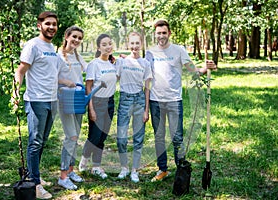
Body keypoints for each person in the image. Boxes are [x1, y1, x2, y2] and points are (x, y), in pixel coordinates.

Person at [145, 19, 216, 182]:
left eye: (164, 32)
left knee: (177, 137)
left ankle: (180, 170)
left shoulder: (179, 50)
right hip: (156, 101)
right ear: (155, 35)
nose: (161, 36)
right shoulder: (150, 52)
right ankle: (162, 169)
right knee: (159, 136)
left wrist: (206, 68)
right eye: (158, 33)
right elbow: (146, 78)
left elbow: (193, 70)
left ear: (169, 33)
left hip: (174, 101)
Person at [13, 11, 65, 199]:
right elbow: (21, 70)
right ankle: (34, 183)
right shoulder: (33, 45)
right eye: (48, 23)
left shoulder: (52, 48)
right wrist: (16, 91)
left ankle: (35, 176)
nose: (52, 27)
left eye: (54, 24)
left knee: (41, 142)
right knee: (35, 142)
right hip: (36, 100)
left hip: (52, 101)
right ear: (39, 25)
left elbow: (54, 74)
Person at [78, 34, 117, 179]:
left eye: (110, 44)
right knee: (94, 136)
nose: (108, 47)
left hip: (110, 102)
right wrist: (91, 108)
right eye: (104, 44)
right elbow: (88, 88)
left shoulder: (113, 64)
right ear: (99, 47)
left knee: (103, 136)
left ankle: (96, 166)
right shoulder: (94, 64)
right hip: (97, 102)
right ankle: (84, 159)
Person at [115, 32, 152, 183]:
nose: (135, 46)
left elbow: (147, 88)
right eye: (132, 43)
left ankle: (134, 170)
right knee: (121, 137)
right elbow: (114, 79)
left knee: (138, 137)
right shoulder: (122, 62)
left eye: (138, 43)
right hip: (125, 100)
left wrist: (146, 110)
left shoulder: (145, 64)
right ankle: (124, 167)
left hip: (139, 101)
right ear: (128, 44)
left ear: (141, 44)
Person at [57, 26, 87, 190]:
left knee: (76, 136)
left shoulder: (77, 56)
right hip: (65, 100)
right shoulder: (58, 56)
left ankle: (70, 170)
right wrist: (66, 82)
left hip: (78, 99)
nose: (76, 40)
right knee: (71, 137)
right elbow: (51, 77)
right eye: (74, 36)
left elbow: (90, 69)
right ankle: (62, 176)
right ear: (67, 36)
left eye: (79, 38)